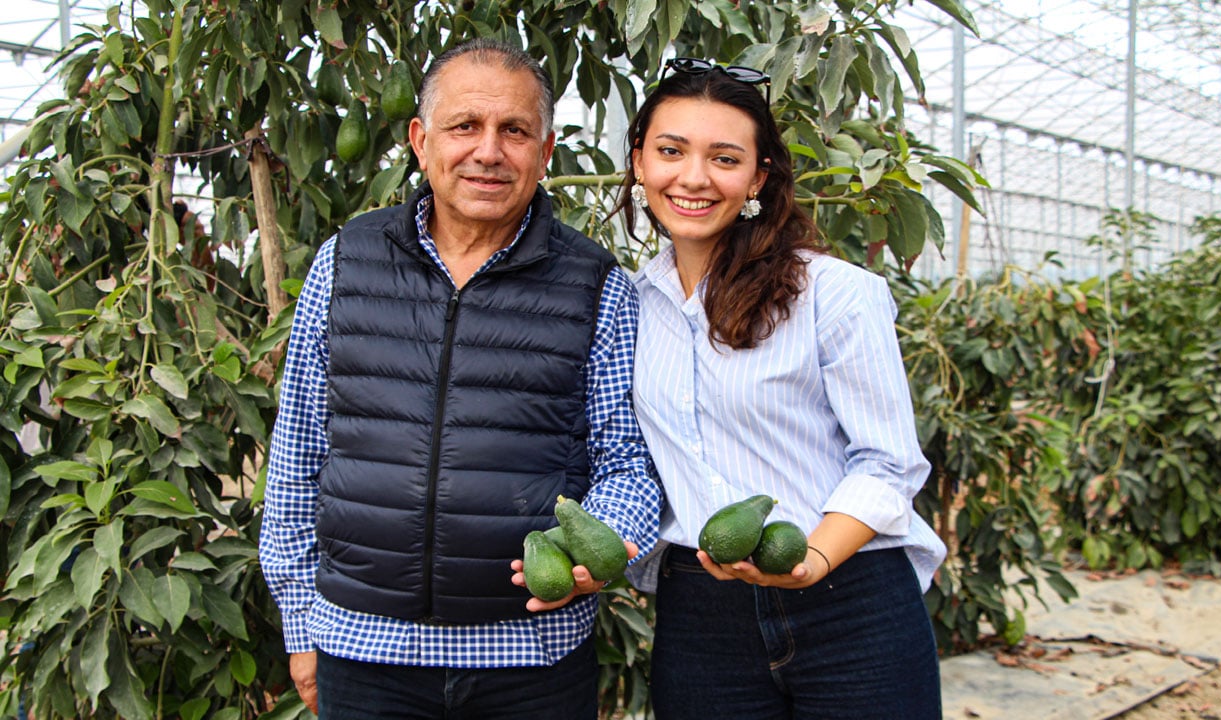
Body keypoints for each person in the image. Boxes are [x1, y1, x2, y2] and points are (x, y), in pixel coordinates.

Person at [259, 39, 662, 719]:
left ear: (545, 151)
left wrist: (606, 544)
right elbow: (298, 453)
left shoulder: (597, 287)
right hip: (364, 649)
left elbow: (629, 461)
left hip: (530, 660)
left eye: (514, 131)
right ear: (421, 141)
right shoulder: (347, 262)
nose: (488, 151)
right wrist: (302, 624)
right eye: (464, 126)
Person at [617, 58, 948, 719]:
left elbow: (888, 461)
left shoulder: (835, 294)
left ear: (758, 177)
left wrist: (814, 559)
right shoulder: (626, 303)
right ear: (638, 162)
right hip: (702, 610)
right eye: (671, 151)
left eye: (725, 158)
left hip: (848, 598)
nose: (693, 177)